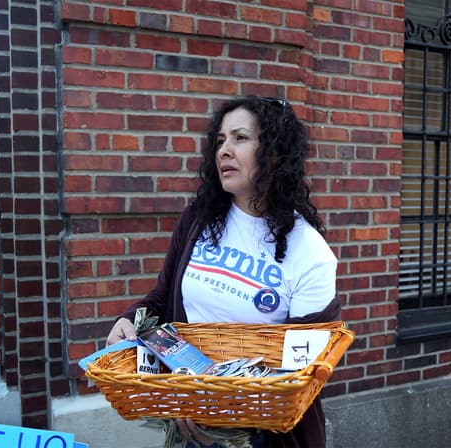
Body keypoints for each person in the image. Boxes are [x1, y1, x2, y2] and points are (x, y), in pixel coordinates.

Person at [105, 96, 338, 448]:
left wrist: (215, 403)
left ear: (274, 152)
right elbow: (162, 297)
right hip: (189, 428)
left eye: (240, 138)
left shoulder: (310, 253)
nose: (224, 151)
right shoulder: (200, 220)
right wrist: (129, 320)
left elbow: (306, 375)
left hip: (260, 435)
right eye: (220, 141)